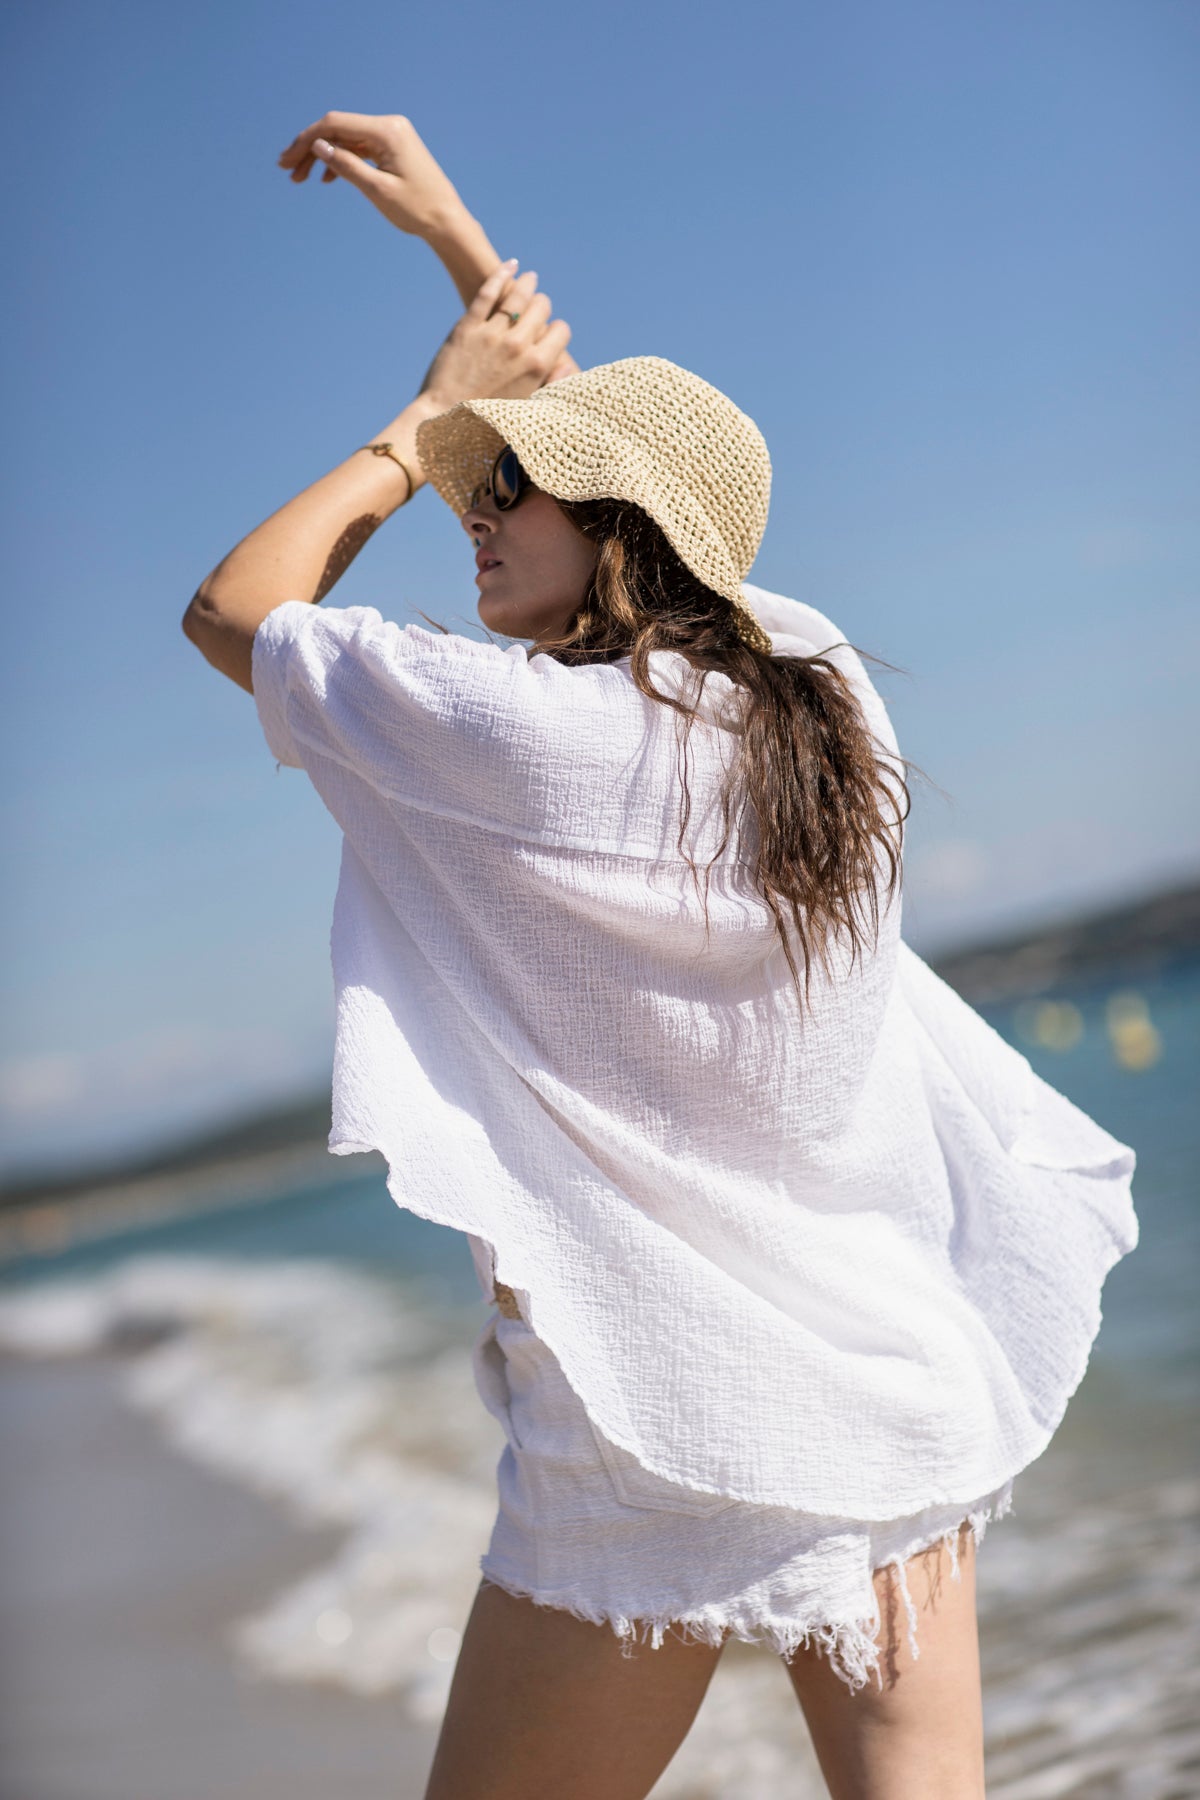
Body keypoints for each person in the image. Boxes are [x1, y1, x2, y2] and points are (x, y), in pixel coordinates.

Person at [182, 112, 1139, 1800]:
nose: (481, 505)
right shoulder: (822, 690)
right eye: (476, 481)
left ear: (615, 516)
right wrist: (464, 241)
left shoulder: (506, 736)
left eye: (515, 484)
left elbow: (233, 607)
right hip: (880, 1369)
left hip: (652, 1416)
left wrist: (419, 423)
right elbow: (667, 484)